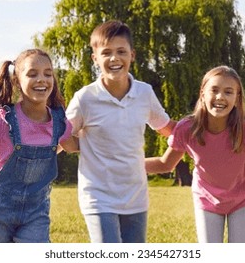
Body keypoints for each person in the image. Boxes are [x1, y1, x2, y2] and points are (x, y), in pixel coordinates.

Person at [66, 20, 176, 243]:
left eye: (121, 51)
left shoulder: (144, 93)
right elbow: (64, 136)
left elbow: (167, 128)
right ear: (95, 58)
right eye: (106, 52)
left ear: (132, 55)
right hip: (98, 197)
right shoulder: (85, 98)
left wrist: (201, 128)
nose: (114, 58)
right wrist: (81, 146)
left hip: (135, 196)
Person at [0, 49, 76, 243]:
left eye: (48, 74)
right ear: (17, 81)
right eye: (32, 74)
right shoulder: (1, 122)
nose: (42, 79)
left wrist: (109, 134)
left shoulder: (59, 123)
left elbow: (73, 146)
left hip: (36, 211)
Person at [145, 66, 245, 243]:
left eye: (228, 92)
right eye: (214, 90)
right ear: (203, 94)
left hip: (243, 200)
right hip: (206, 200)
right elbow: (165, 164)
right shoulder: (187, 129)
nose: (220, 97)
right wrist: (125, 163)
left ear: (237, 99)